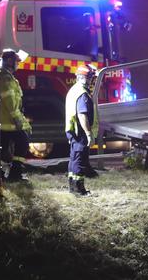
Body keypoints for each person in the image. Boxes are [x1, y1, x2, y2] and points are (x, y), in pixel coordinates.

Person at [0, 49, 31, 182]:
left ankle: (0, 175)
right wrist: (17, 118)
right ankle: (12, 174)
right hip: (6, 121)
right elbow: (9, 101)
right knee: (20, 142)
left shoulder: (5, 76)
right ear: (10, 61)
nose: (18, 64)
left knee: (2, 147)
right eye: (17, 61)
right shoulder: (4, 77)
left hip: (5, 121)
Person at [65, 64, 98, 195]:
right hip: (80, 131)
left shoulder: (74, 89)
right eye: (91, 77)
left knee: (74, 158)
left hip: (73, 130)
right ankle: (79, 190)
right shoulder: (83, 93)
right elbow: (82, 114)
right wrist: (89, 133)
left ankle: (73, 187)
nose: (92, 80)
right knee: (79, 159)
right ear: (85, 77)